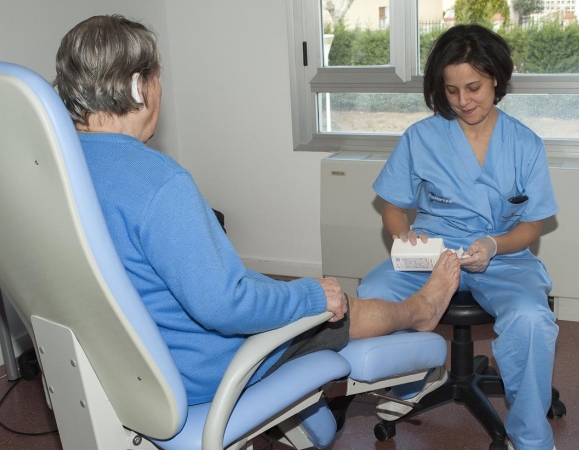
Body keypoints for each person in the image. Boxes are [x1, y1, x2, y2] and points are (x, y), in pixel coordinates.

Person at [52, 15, 461, 407]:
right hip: (201, 369)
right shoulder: (158, 181)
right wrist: (310, 294)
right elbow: (226, 308)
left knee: (268, 287)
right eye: (157, 78)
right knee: (335, 305)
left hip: (117, 367)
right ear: (139, 86)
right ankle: (422, 310)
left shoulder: (55, 165)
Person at [357, 24, 559, 450]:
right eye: (451, 91)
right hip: (433, 251)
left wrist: (492, 246)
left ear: (496, 80)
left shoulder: (526, 145)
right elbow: (392, 205)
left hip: (502, 256)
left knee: (531, 319)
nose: (463, 101)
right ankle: (410, 379)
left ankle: (530, 436)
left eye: (474, 88)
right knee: (374, 290)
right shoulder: (422, 137)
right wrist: (403, 235)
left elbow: (531, 226)